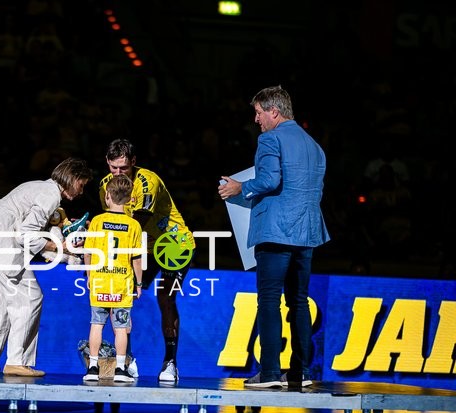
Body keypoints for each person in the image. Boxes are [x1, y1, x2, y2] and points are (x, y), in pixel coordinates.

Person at [218, 85, 329, 389]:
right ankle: (301, 372)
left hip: (276, 232)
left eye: (258, 112)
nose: (256, 120)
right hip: (307, 233)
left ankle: (269, 373)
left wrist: (240, 188)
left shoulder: (270, 138)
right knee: (299, 302)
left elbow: (269, 180)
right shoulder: (314, 146)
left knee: (269, 300)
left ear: (273, 111)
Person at [0, 157, 93, 377]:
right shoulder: (50, 194)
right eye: (82, 185)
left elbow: (33, 236)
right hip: (1, 239)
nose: (81, 192)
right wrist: (60, 247)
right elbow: (27, 235)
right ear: (72, 178)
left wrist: (61, 250)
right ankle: (17, 361)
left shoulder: (38, 187)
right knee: (29, 297)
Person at [98, 139, 195, 383]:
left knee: (166, 296)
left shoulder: (147, 182)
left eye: (123, 168)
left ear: (133, 162)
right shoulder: (104, 186)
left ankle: (170, 362)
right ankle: (126, 360)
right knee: (122, 295)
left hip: (173, 244)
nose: (118, 173)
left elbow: (135, 225)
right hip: (141, 246)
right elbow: (114, 222)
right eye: (113, 168)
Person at [83, 175, 143, 383]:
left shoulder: (98, 221)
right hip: (121, 283)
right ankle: (119, 369)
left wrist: (90, 275)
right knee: (120, 329)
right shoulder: (133, 224)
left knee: (96, 325)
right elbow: (136, 258)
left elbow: (88, 252)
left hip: (100, 280)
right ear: (129, 199)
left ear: (107, 196)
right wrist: (139, 283)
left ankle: (92, 367)